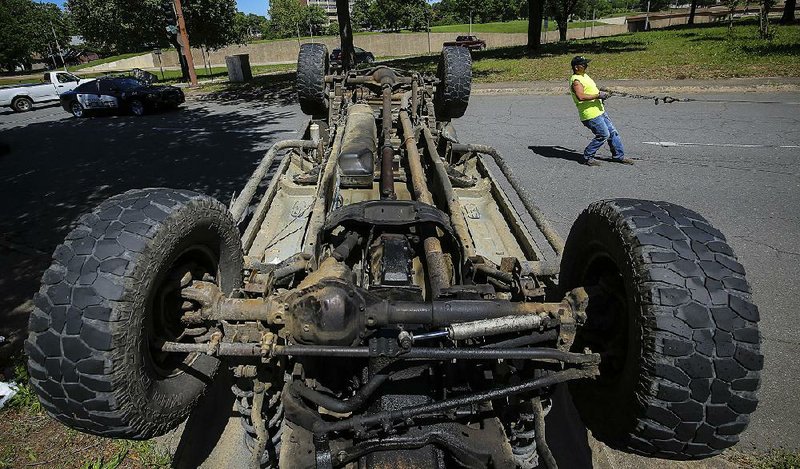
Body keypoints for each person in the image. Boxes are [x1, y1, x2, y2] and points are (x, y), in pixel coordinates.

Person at [569, 56, 633, 166]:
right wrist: (598, 95)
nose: (586, 66)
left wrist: (601, 92)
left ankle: (618, 156)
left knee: (613, 133)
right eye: (583, 64)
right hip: (590, 114)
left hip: (599, 110)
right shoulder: (576, 80)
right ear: (576, 67)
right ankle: (588, 156)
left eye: (586, 64)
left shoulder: (584, 76)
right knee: (603, 135)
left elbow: (590, 90)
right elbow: (581, 96)